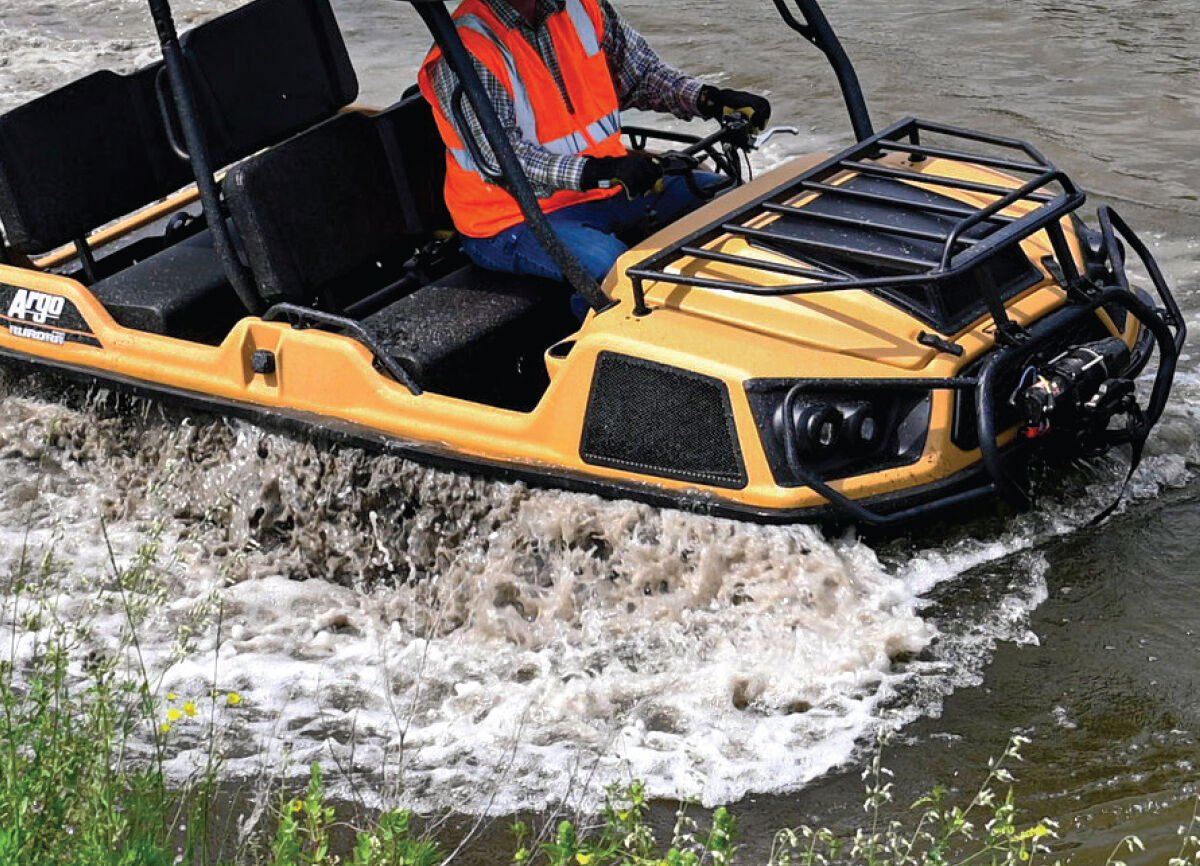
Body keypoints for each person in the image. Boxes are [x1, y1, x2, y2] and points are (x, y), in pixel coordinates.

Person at [418, 0, 771, 296]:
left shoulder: (583, 8)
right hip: (512, 219)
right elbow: (506, 162)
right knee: (616, 273)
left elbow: (642, 75)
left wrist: (709, 100)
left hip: (607, 190)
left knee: (729, 202)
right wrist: (600, 172)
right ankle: (607, 355)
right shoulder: (468, 48)